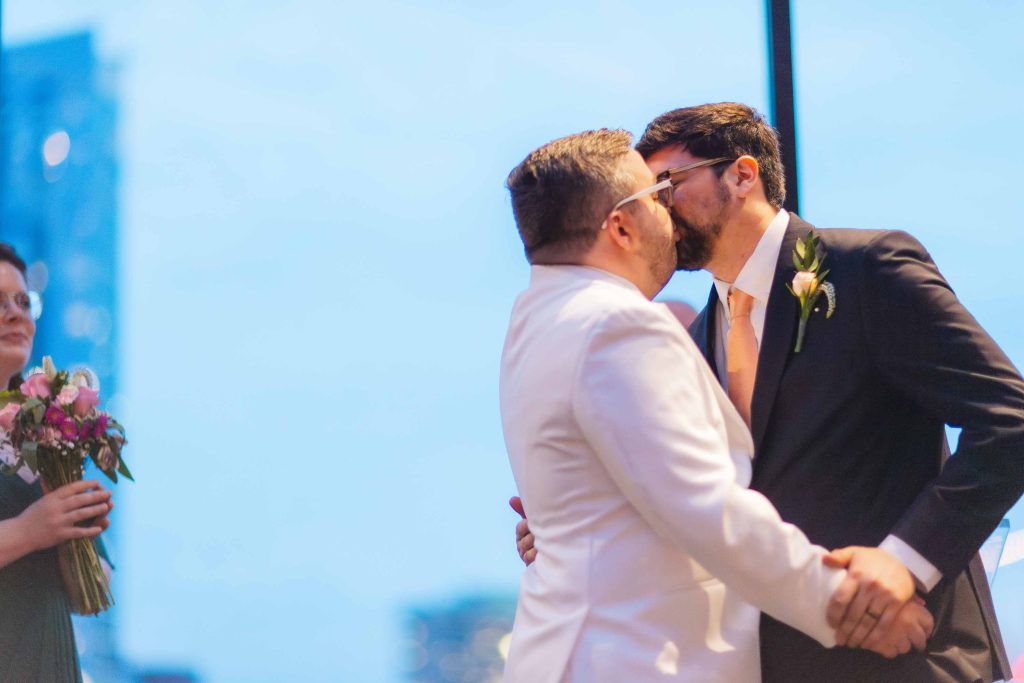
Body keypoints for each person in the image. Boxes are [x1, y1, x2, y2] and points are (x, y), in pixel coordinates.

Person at [513, 103, 1024, 682]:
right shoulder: (693, 334)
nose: (660, 206)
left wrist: (904, 563)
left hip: (908, 653)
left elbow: (1011, 421)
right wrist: (579, 511)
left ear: (742, 175)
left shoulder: (865, 270)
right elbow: (698, 491)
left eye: (668, 184)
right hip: (777, 662)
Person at [0, 243, 113, 683]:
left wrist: (79, 530)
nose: (15, 314)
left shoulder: (43, 432)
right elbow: (35, 529)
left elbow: (94, 594)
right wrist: (32, 530)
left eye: (23, 301)